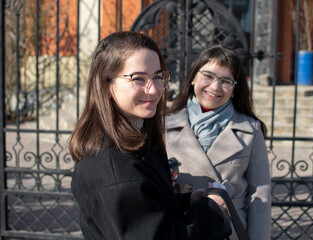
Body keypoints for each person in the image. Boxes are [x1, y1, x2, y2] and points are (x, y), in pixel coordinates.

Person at [69, 31, 232, 240]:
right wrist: (211, 214)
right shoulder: (114, 168)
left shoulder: (136, 138)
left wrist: (186, 202)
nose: (154, 89)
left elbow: (143, 208)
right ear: (106, 84)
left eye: (157, 77)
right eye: (138, 78)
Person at [166, 45, 271, 240]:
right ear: (193, 78)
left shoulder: (250, 129)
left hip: (229, 229)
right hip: (182, 228)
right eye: (208, 76)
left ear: (234, 89)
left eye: (225, 81)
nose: (215, 87)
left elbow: (260, 194)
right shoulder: (164, 125)